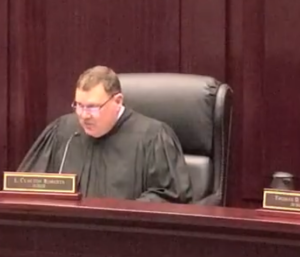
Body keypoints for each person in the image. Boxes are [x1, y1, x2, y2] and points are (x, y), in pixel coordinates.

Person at [16, 66, 193, 203]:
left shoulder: (153, 137)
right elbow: (25, 186)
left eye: (92, 107)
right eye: (79, 105)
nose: (84, 116)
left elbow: (171, 198)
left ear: (117, 101)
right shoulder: (63, 131)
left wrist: (120, 214)